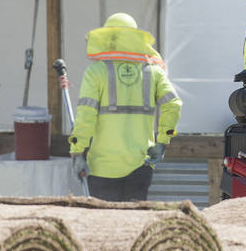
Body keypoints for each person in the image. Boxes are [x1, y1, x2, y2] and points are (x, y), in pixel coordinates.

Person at [68, 13, 181, 201]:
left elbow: (85, 116)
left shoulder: (95, 72)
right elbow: (173, 105)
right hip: (140, 165)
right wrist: (162, 142)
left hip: (102, 168)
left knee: (105, 226)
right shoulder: (153, 72)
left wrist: (77, 152)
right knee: (133, 225)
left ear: (107, 39)